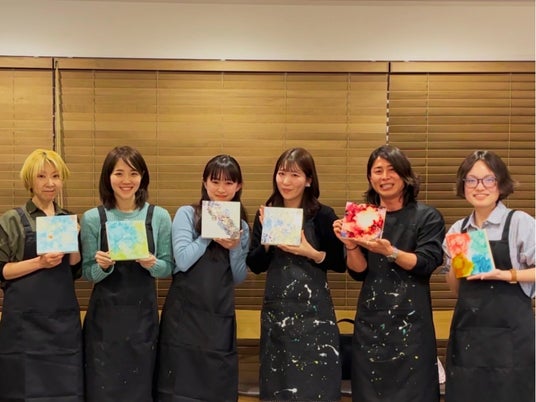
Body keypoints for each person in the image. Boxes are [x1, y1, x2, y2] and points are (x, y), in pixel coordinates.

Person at [333, 144, 445, 402]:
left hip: (412, 327)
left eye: (391, 170)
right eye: (378, 171)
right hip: (370, 324)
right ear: (370, 178)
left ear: (405, 175)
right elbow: (359, 272)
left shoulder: (427, 216)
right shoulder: (364, 216)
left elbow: (426, 263)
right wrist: (350, 244)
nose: (385, 177)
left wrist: (390, 251)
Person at [247, 147, 346, 402]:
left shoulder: (323, 215)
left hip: (315, 317)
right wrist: (267, 241)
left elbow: (340, 263)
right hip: (277, 314)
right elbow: (255, 265)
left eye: (295, 175)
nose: (286, 181)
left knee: (317, 387)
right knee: (278, 386)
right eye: (282, 174)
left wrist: (311, 253)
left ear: (309, 180)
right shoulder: (267, 213)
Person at [80, 145, 173, 402]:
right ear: (107, 177)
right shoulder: (92, 218)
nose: (126, 180)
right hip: (104, 322)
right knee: (102, 387)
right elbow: (87, 273)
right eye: (118, 173)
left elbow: (168, 267)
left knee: (140, 386)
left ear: (142, 176)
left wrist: (152, 264)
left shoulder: (159, 216)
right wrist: (102, 267)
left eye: (133, 173)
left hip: (143, 320)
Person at [443, 150, 535, 402]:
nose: (479, 186)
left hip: (511, 341)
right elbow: (457, 291)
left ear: (501, 183)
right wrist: (453, 263)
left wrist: (505, 274)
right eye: (471, 180)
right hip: (468, 339)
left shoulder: (519, 223)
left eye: (488, 179)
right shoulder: (458, 229)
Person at [156, 154, 249, 402]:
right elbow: (182, 261)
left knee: (216, 385)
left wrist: (235, 248)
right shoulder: (187, 214)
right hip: (184, 315)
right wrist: (209, 232)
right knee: (178, 385)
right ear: (204, 182)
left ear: (238, 186)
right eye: (215, 181)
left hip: (219, 315)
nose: (221, 189)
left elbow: (238, 277)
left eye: (229, 182)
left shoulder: (241, 224)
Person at [0, 149, 83, 401]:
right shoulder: (12, 220)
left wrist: (74, 240)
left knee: (65, 390)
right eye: (42, 176)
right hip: (24, 326)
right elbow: (2, 270)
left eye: (56, 176)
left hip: (62, 324)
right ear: (30, 180)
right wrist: (40, 262)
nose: (50, 183)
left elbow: (74, 269)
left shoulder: (66, 218)